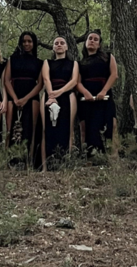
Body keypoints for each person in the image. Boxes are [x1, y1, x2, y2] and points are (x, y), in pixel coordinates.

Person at [4, 31, 43, 167]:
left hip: (31, 97)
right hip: (13, 95)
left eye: (29, 41)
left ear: (34, 43)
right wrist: (15, 98)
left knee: (30, 129)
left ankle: (29, 162)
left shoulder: (39, 62)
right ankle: (10, 162)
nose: (26, 44)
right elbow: (6, 80)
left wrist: (25, 99)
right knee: (11, 130)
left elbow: (40, 84)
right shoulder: (12, 59)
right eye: (24, 41)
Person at [76, 30, 119, 156]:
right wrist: (86, 93)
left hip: (104, 95)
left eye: (95, 39)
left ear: (99, 44)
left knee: (111, 124)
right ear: (85, 42)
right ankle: (88, 157)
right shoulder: (80, 63)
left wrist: (104, 91)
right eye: (90, 39)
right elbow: (77, 82)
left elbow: (114, 75)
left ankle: (113, 156)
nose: (92, 41)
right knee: (86, 127)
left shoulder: (108, 57)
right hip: (86, 98)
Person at [41, 36, 79, 171]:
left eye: (62, 43)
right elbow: (46, 78)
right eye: (56, 43)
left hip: (67, 95)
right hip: (49, 95)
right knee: (46, 129)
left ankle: (66, 165)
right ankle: (45, 167)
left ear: (67, 47)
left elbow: (74, 81)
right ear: (53, 47)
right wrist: (51, 95)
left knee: (67, 129)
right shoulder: (47, 62)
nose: (59, 45)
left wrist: (60, 92)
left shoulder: (73, 64)